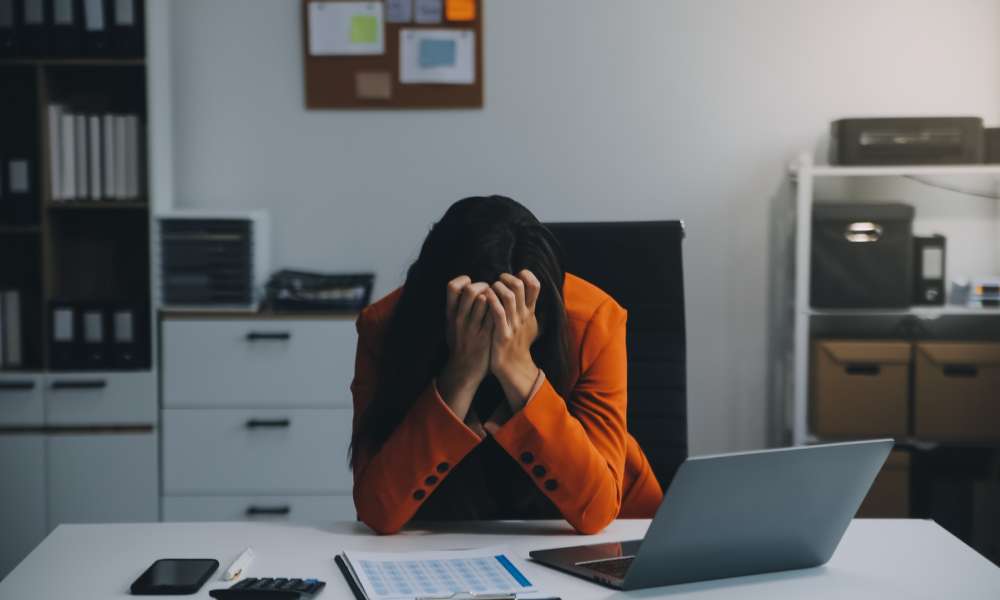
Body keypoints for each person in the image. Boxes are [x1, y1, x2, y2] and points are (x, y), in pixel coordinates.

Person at [349, 195, 663, 535]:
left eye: (520, 314)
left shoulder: (593, 323)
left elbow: (598, 510)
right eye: (478, 316)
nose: (502, 329)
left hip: (616, 529)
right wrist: (460, 375)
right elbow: (378, 509)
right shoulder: (384, 326)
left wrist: (519, 369)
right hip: (447, 532)